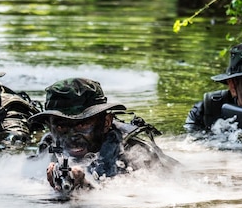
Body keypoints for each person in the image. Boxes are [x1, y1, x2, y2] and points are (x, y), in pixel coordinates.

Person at [29, 77, 176, 192]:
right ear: (50, 126)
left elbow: (149, 195)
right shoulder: (49, 145)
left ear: (106, 122)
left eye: (82, 124)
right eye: (62, 126)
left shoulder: (136, 154)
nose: (72, 136)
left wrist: (87, 186)